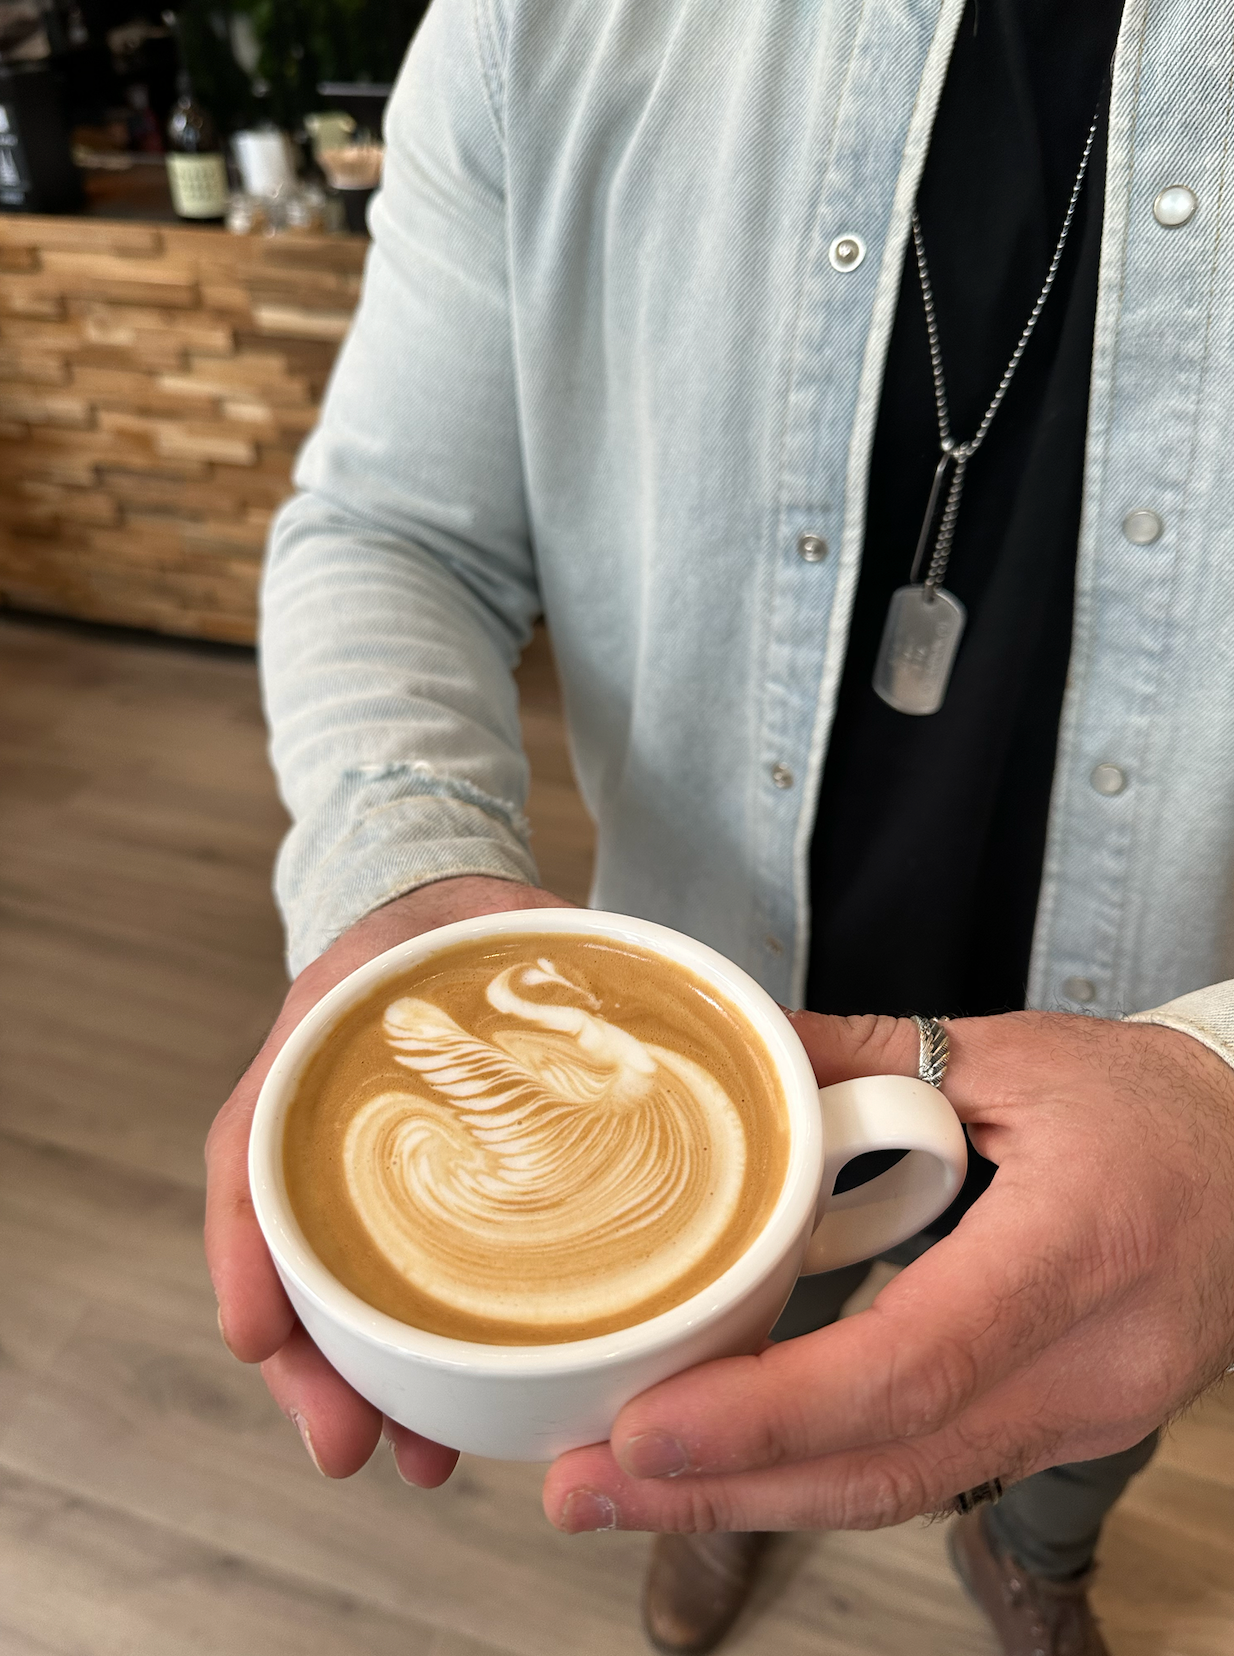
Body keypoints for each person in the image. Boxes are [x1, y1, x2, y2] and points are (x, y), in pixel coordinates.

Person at [204, 2, 1234, 1654]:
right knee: (739, 1354)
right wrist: (396, 872)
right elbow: (394, 527)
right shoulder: (541, 26)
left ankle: (1037, 1556)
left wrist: (1227, 1088)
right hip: (702, 1030)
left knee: (1094, 1381)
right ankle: (725, 1503)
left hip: (1159, 1028)